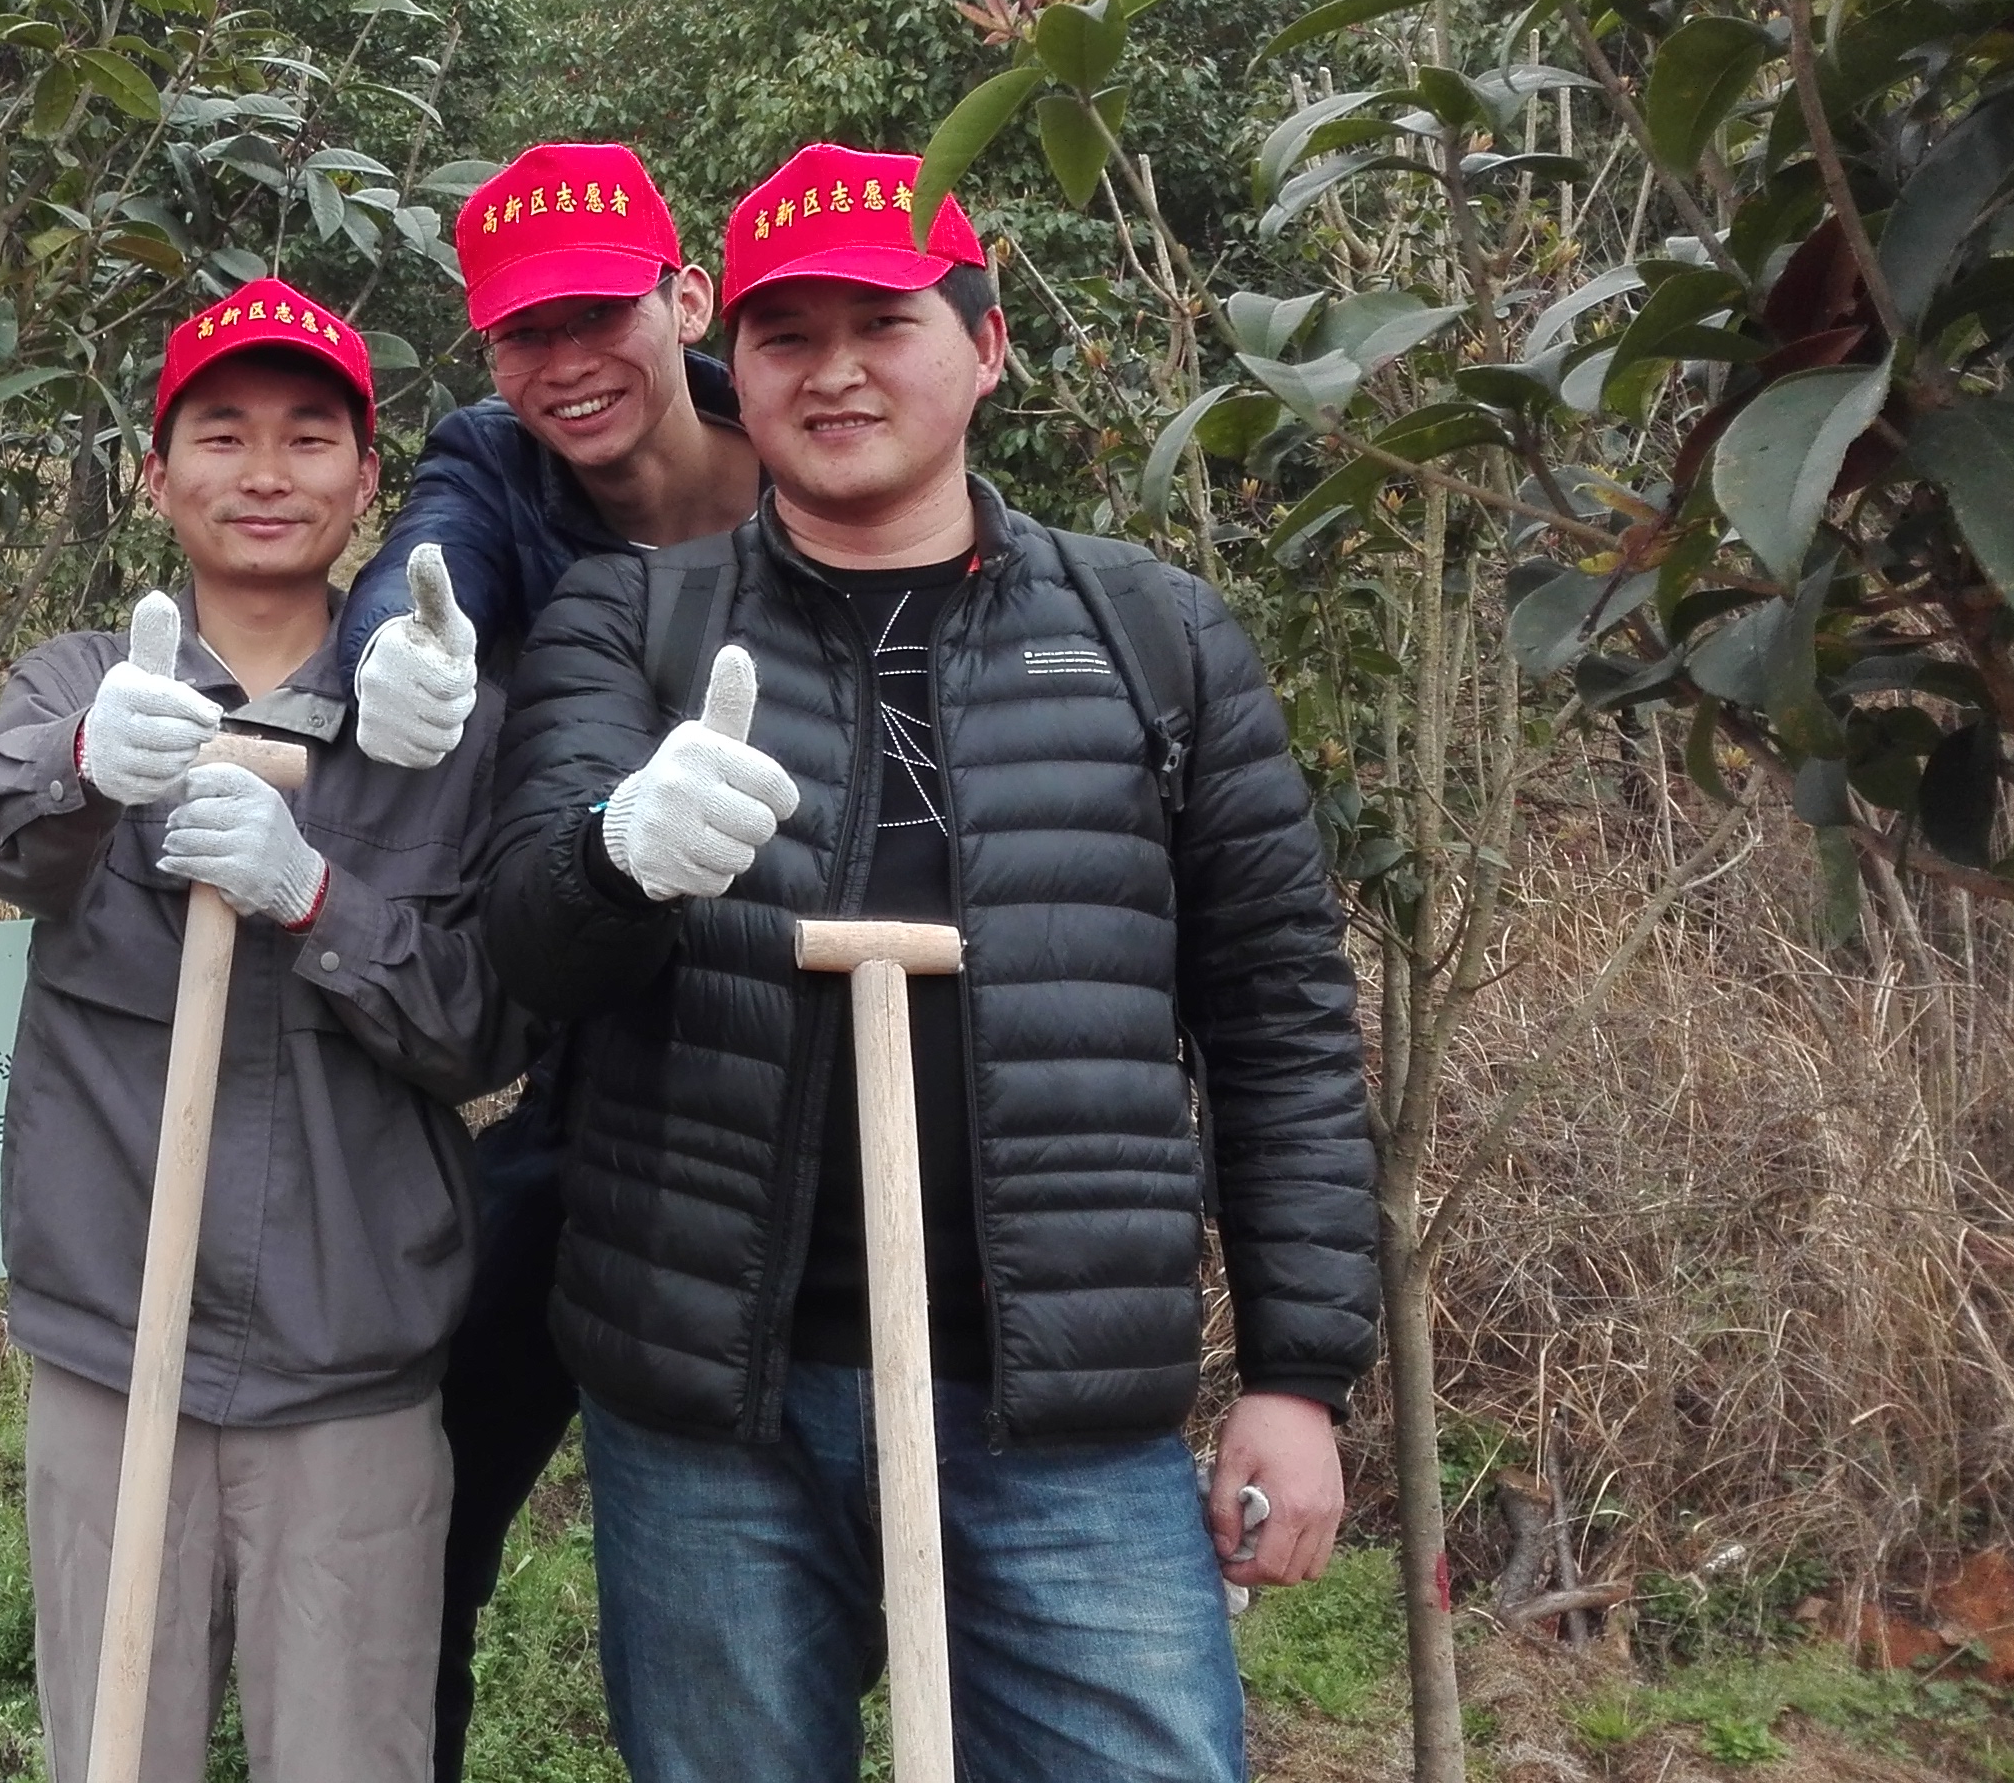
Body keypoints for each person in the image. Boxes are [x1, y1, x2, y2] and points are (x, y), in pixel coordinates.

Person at [477, 144, 1378, 1782]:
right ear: (733, 362)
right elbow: (529, 947)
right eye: (785, 336)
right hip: (712, 1423)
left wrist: (1297, 1376)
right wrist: (615, 850)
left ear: (987, 344)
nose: (832, 373)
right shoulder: (632, 623)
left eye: (881, 325)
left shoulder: (1153, 636)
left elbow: (1280, 1023)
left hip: (1064, 1425)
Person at [0, 279, 515, 1783]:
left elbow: (484, 1032)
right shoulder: (87, 677)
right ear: (155, 472)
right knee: (117, 1751)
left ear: (367, 480)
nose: (266, 473)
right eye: (222, 434)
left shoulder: (439, 714)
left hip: (352, 1360)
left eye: (310, 438)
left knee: (352, 1756)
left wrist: (319, 901)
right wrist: (86, 760)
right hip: (113, 1349)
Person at [325, 142, 757, 1782]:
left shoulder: (813, 440)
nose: (568, 363)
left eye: (598, 315)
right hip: (594, 1049)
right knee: (437, 1478)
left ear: (685, 299)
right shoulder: (496, 465)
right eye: (525, 332)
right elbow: (427, 558)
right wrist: (396, 647)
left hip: (809, 1041)